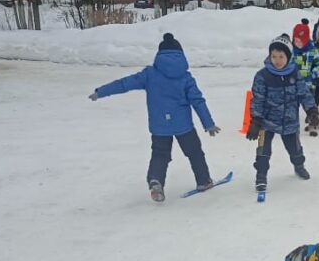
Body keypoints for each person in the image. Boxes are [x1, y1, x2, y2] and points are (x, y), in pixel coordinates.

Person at [88, 32, 220, 203]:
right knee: (194, 152)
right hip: (183, 125)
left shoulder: (149, 74)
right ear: (181, 55)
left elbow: (124, 84)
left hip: (159, 126)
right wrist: (208, 124)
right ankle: (203, 181)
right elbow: (198, 101)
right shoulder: (186, 77)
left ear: (159, 55)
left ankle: (156, 180)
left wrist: (101, 92)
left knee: (160, 154)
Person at [247, 34, 319, 193]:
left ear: (288, 57)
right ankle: (261, 176)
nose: (277, 60)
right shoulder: (262, 76)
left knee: (295, 150)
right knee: (263, 152)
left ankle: (299, 166)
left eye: (281, 56)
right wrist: (255, 120)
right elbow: (257, 99)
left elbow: (304, 94)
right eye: (274, 56)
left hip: (289, 121)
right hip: (267, 122)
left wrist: (312, 110)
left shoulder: (295, 74)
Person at [291, 18, 319, 136]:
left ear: (306, 40)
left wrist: (312, 75)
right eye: (295, 40)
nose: (298, 43)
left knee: (309, 106)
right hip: (292, 84)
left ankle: (313, 124)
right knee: (292, 106)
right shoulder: (291, 52)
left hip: (307, 85)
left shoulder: (312, 51)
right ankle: (292, 126)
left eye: (300, 41)